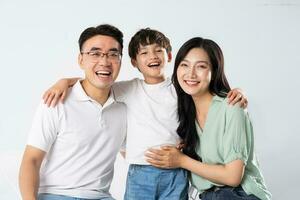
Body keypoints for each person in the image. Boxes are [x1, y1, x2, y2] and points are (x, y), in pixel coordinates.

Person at [43, 29, 248, 200]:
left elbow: (206, 93)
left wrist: (237, 91)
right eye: (144, 53)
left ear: (168, 56)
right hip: (140, 172)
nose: (152, 56)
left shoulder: (182, 88)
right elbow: (96, 83)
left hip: (176, 171)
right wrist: (65, 81)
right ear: (134, 62)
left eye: (158, 50)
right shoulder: (129, 89)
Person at [145, 37, 272, 200]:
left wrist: (182, 160)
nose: (190, 74)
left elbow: (233, 177)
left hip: (240, 194)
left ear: (215, 71)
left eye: (201, 66)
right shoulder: (184, 111)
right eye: (184, 65)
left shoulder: (232, 106)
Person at [19, 24, 127, 200]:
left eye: (113, 54)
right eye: (95, 53)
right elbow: (31, 160)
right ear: (81, 59)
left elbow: (132, 152)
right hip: (56, 194)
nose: (105, 61)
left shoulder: (125, 102)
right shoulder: (56, 101)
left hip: (101, 196)